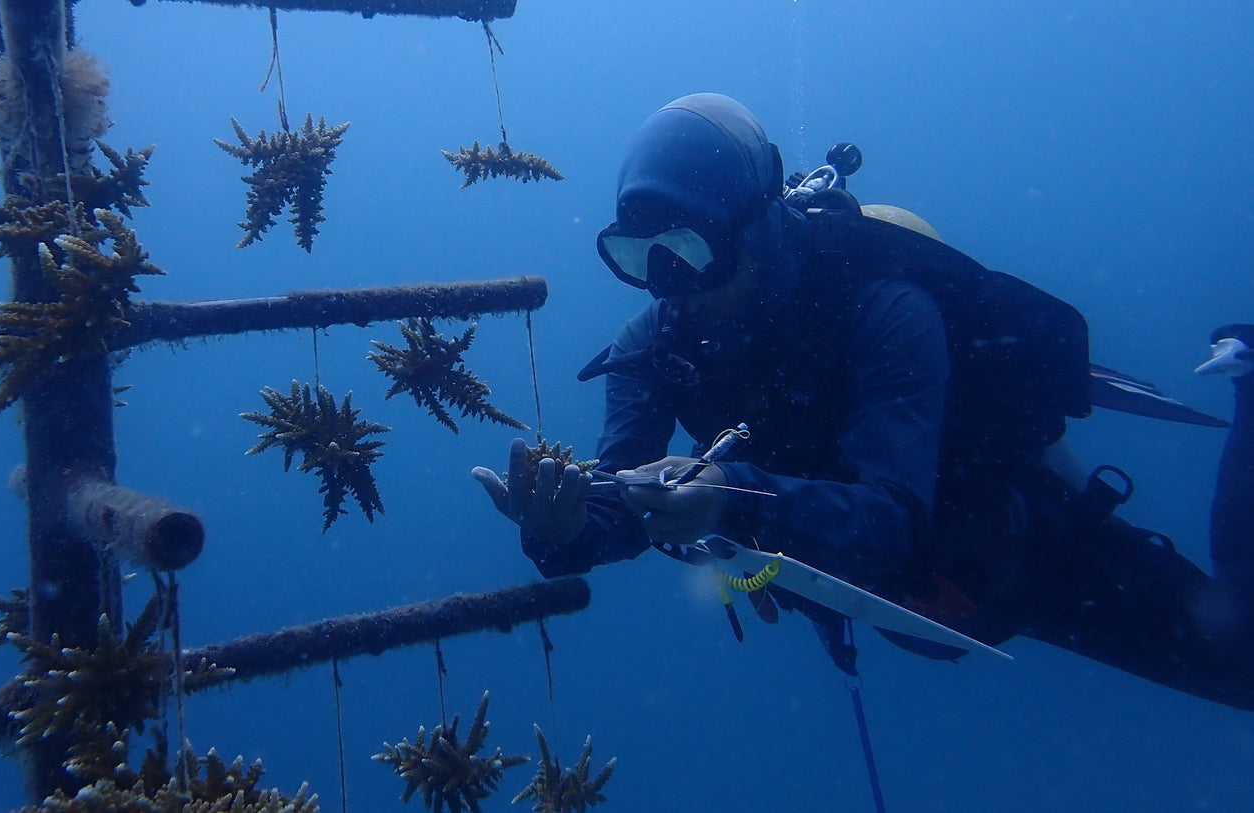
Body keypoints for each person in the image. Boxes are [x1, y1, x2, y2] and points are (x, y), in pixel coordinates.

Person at [471, 92, 1254, 710]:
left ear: (755, 226)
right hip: (912, 600)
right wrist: (569, 531)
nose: (666, 285)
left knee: (1242, 645)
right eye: (636, 257)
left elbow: (890, 520)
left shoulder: (883, 306)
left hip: (1025, 552)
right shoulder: (653, 343)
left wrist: (732, 502)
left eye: (688, 251)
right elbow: (627, 489)